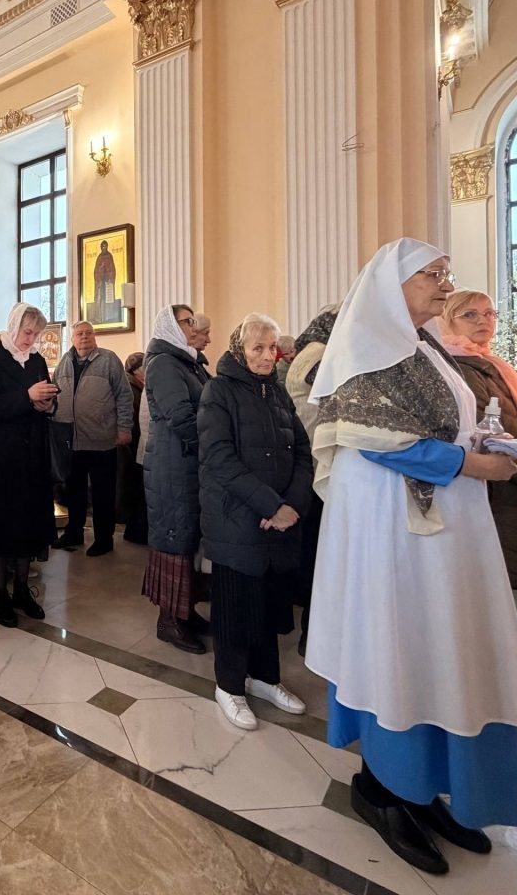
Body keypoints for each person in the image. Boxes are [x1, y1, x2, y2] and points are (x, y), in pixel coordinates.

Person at [306, 238, 517, 876]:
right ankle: (384, 791)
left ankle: (426, 788)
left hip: (448, 525)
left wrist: (493, 447)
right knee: (401, 642)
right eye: (431, 275)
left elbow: (447, 424)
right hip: (393, 527)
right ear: (391, 284)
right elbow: (371, 439)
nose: (445, 284)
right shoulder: (367, 345)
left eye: (447, 273)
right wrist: (469, 463)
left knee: (444, 645)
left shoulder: (428, 346)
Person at [198, 313, 313, 730]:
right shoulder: (218, 391)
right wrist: (270, 506)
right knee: (234, 607)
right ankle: (229, 686)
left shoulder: (276, 391)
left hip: (278, 520)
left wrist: (292, 505)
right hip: (237, 519)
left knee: (269, 604)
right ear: (239, 351)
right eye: (258, 348)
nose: (268, 356)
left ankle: (264, 678)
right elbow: (219, 457)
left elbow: (302, 451)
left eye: (272, 348)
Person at [440, 289, 517, 589]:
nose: (483, 320)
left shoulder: (488, 364)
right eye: (469, 314)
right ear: (447, 320)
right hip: (495, 491)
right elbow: (487, 439)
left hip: (512, 487)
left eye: (489, 313)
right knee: (510, 592)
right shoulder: (461, 368)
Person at [0, 303, 57, 626]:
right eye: (27, 332)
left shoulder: (36, 360)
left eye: (36, 334)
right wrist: (27, 396)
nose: (31, 339)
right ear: (13, 326)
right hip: (4, 456)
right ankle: (1, 595)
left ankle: (22, 590)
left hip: (34, 453)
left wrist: (47, 404)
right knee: (3, 526)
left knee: (28, 524)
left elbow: (45, 396)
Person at [141, 305, 212, 654]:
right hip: (172, 464)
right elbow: (181, 417)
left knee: (189, 537)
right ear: (170, 326)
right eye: (187, 321)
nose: (194, 326)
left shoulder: (187, 361)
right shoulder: (164, 364)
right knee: (175, 536)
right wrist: (212, 448)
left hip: (186, 462)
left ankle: (186, 612)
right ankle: (168, 621)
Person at [51, 322, 133, 557]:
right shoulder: (64, 362)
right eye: (79, 333)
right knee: (74, 491)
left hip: (101, 439)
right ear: (72, 338)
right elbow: (55, 392)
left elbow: (124, 395)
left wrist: (124, 427)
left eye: (88, 333)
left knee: (102, 493)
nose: (84, 336)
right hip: (71, 440)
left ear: (94, 337)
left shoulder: (108, 360)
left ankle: (104, 539)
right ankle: (74, 533)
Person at [285, 305, 340, 656]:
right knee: (316, 551)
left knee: (311, 548)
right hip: (314, 464)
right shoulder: (319, 355)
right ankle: (312, 633)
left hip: (308, 461)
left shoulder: (311, 350)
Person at [117, 352, 148, 544]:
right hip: (129, 444)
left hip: (133, 443)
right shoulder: (130, 387)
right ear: (136, 370)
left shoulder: (137, 385)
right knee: (130, 487)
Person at [93, 240, 117, 322]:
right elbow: (96, 270)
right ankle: (99, 318)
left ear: (107, 247)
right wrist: (99, 275)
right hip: (100, 281)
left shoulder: (109, 256)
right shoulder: (99, 257)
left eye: (105, 246)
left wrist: (110, 277)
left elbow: (112, 268)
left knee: (108, 298)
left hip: (108, 281)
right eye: (102, 246)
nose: (104, 248)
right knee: (100, 298)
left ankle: (109, 317)